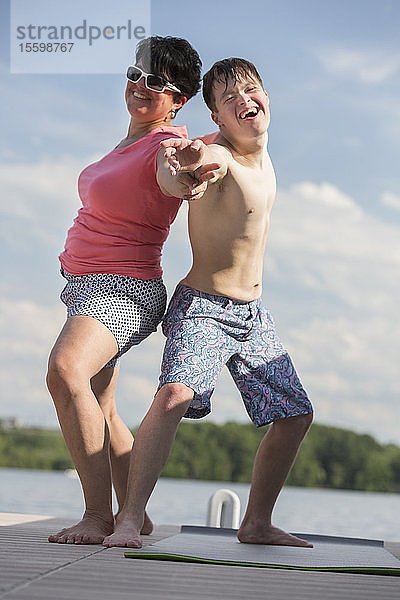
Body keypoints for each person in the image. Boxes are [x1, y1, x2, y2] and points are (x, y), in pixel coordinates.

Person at [103, 58, 314, 549]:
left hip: (253, 315)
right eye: (228, 98)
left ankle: (256, 522)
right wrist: (185, 173)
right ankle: (130, 518)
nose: (244, 101)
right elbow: (192, 171)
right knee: (175, 396)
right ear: (217, 117)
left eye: (251, 90)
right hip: (203, 306)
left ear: (267, 97)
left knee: (294, 415)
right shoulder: (219, 153)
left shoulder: (264, 156)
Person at [46, 36, 203, 544]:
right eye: (135, 75)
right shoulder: (127, 144)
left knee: (66, 369)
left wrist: (188, 179)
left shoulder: (165, 146)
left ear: (178, 99)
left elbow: (176, 175)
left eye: (156, 82)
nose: (140, 86)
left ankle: (97, 516)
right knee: (102, 405)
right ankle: (138, 515)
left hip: (123, 287)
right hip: (84, 285)